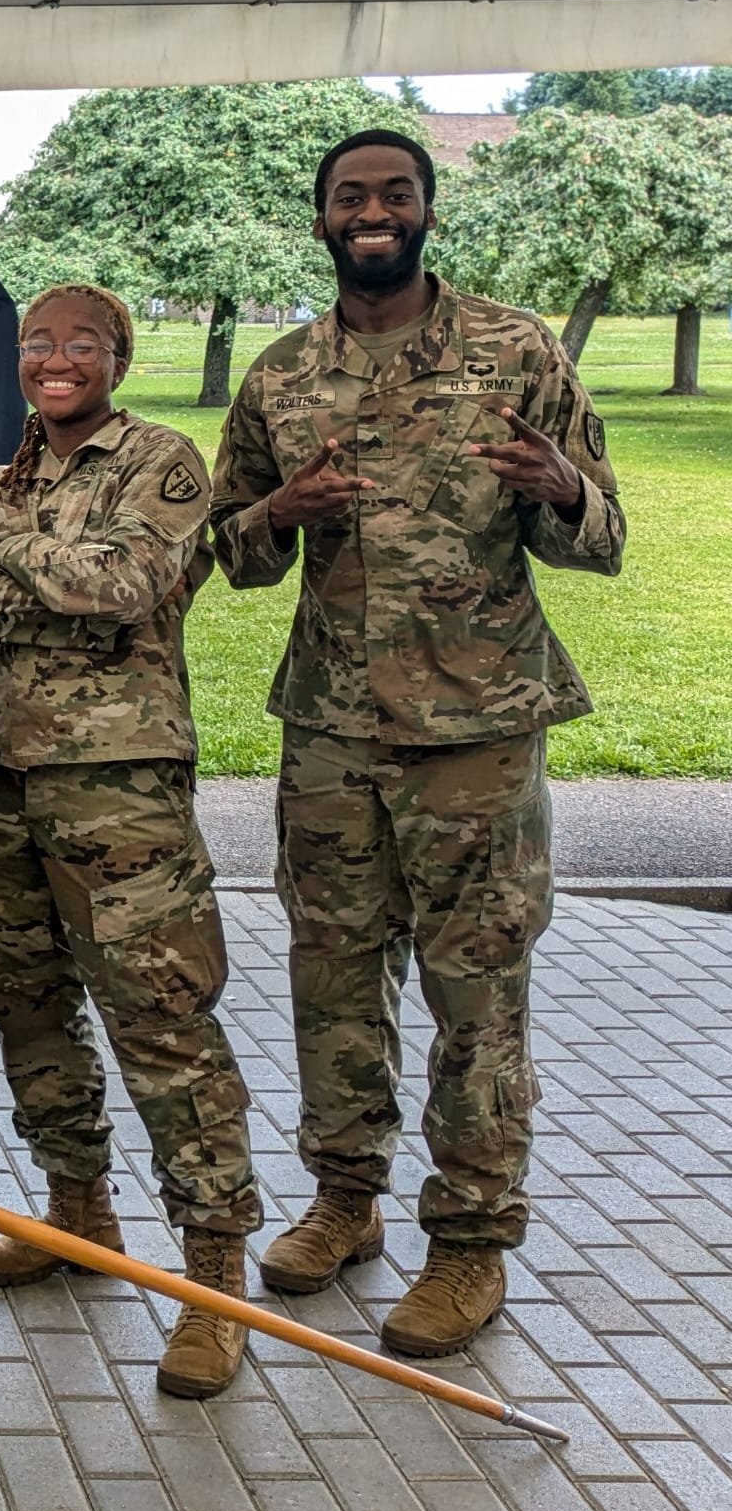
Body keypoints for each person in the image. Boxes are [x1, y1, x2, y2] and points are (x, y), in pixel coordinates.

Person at [211, 129, 624, 1356]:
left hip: (476, 732)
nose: (372, 210)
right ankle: (344, 1198)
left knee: (474, 992)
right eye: (350, 196)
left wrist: (558, 487)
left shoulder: (514, 351)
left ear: (426, 209)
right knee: (331, 980)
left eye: (394, 192)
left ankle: (468, 1240)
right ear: (323, 219)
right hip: (331, 730)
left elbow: (600, 540)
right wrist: (277, 512)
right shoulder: (281, 376)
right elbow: (230, 551)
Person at [0, 282, 263, 1397]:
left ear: (117, 358)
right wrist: (2, 546)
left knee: (160, 1019)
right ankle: (75, 1209)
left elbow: (122, 581)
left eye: (82, 342)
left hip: (116, 785)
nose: (55, 357)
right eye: (38, 342)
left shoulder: (160, 462)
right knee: (22, 1002)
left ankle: (213, 1277)